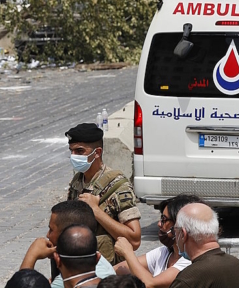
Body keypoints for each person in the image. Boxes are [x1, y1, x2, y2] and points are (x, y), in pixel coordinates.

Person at [65, 123, 142, 264]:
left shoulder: (117, 186)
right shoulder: (77, 182)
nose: (73, 156)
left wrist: (96, 211)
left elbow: (134, 240)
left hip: (109, 269)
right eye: (72, 151)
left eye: (80, 151)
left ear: (97, 152)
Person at [19, 200, 115, 288]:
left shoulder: (66, 282)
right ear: (97, 257)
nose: (47, 235)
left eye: (51, 230)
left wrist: (31, 255)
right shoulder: (101, 269)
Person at [113, 194, 201, 286]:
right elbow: (122, 269)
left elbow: (150, 284)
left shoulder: (189, 261)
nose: (159, 223)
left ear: (179, 225)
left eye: (164, 219)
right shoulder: (165, 252)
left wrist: (127, 252)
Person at [170, 203, 239, 288]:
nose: (175, 236)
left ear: (183, 234)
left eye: (175, 230)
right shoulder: (236, 264)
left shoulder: (189, 278)